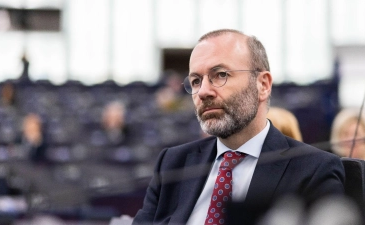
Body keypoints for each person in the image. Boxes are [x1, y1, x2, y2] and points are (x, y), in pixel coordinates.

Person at [132, 29, 345, 225]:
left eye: (221, 75)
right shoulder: (172, 163)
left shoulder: (313, 170)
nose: (203, 91)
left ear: (262, 85)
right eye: (196, 81)